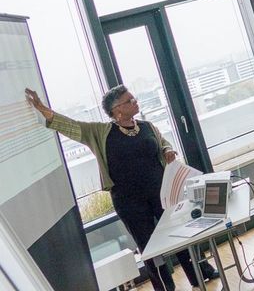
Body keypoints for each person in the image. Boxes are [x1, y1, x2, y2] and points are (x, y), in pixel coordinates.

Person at [24, 87, 217, 291]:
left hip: (161, 193)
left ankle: (200, 273)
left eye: (133, 98)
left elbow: (162, 143)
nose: (135, 101)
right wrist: (40, 107)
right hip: (128, 202)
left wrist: (168, 150)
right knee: (150, 246)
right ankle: (165, 288)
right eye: (129, 100)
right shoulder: (99, 132)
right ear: (117, 110)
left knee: (180, 232)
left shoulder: (147, 126)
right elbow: (69, 126)